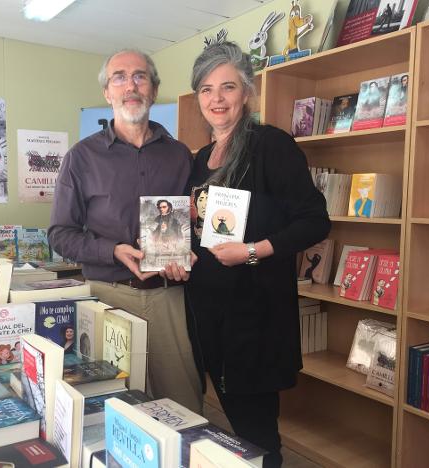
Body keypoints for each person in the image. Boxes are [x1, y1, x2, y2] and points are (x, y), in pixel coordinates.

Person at [166, 41, 330, 467]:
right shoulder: (200, 158)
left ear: (248, 93)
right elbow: (201, 228)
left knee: (256, 436)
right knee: (227, 430)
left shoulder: (271, 146)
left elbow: (315, 221)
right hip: (206, 315)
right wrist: (176, 247)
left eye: (227, 87)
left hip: (253, 319)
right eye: (206, 89)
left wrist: (252, 252)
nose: (216, 99)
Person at [48, 49, 202, 413]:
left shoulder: (180, 155)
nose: (130, 85)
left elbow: (188, 221)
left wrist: (187, 250)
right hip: (107, 295)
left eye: (140, 76)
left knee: (183, 403)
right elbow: (59, 233)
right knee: (109, 403)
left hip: (168, 296)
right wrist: (112, 250)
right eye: (119, 77)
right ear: (107, 92)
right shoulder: (81, 157)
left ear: (153, 88)